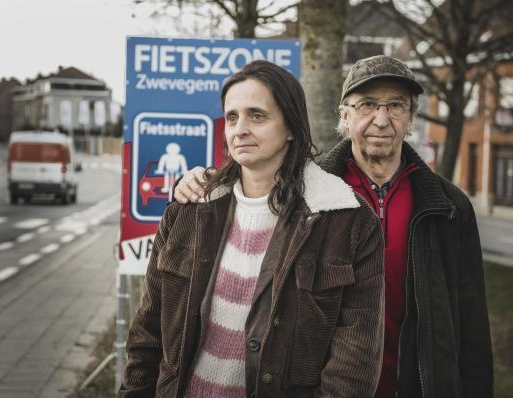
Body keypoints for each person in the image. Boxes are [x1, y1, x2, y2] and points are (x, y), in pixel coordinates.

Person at [174, 55, 494, 398]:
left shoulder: (447, 206)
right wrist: (203, 182)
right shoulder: (306, 192)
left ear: (411, 117)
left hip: (417, 383)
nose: (381, 119)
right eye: (367, 105)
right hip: (325, 384)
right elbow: (249, 190)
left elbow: (471, 320)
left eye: (396, 106)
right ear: (344, 115)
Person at [119, 60, 385, 398]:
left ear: (291, 126)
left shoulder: (347, 222)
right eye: (232, 117)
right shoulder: (189, 210)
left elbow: (354, 365)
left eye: (257, 116)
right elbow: (147, 333)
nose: (240, 129)